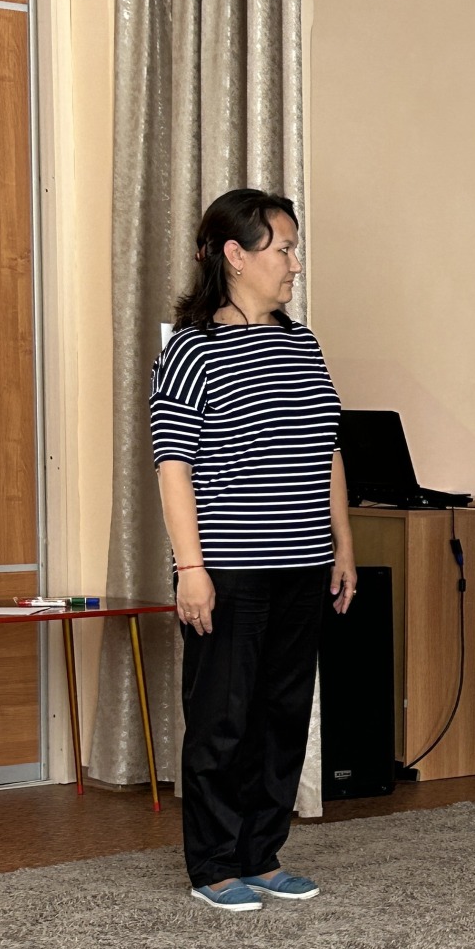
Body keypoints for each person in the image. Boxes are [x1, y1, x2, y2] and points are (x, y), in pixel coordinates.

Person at [150, 188, 356, 912]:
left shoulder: (303, 343)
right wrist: (191, 568)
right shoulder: (192, 350)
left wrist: (342, 545)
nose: (295, 263)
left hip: (303, 565)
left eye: (296, 249)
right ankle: (212, 865)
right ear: (235, 255)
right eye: (284, 249)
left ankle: (261, 855)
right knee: (222, 720)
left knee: (281, 717)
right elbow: (173, 465)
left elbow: (328, 449)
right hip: (230, 567)